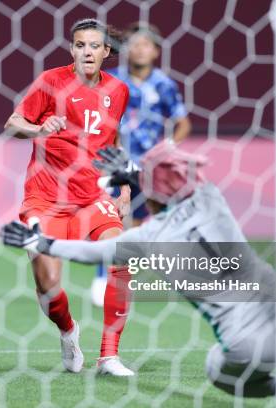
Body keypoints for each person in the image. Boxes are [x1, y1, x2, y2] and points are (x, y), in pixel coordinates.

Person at [0, 143, 276, 395]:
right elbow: (189, 188)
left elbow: (89, 252)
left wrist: (41, 243)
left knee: (216, 369)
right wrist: (133, 174)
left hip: (245, 343)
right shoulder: (211, 204)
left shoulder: (149, 237)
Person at [3, 18, 134, 376]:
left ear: (106, 52)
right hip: (45, 198)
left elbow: (113, 140)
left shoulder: (118, 90)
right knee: (47, 285)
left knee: (123, 254)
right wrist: (38, 128)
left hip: (92, 197)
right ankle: (67, 331)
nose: (86, 52)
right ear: (71, 49)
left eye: (94, 46)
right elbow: (12, 124)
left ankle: (109, 356)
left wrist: (123, 187)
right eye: (80, 45)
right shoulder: (50, 82)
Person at [90, 23, 192, 307]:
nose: (139, 49)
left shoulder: (164, 85)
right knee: (111, 220)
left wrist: (167, 148)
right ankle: (102, 278)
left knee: (136, 225)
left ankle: (123, 278)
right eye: (134, 44)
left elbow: (182, 122)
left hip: (148, 167)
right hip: (114, 162)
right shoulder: (109, 80)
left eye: (146, 44)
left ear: (156, 51)